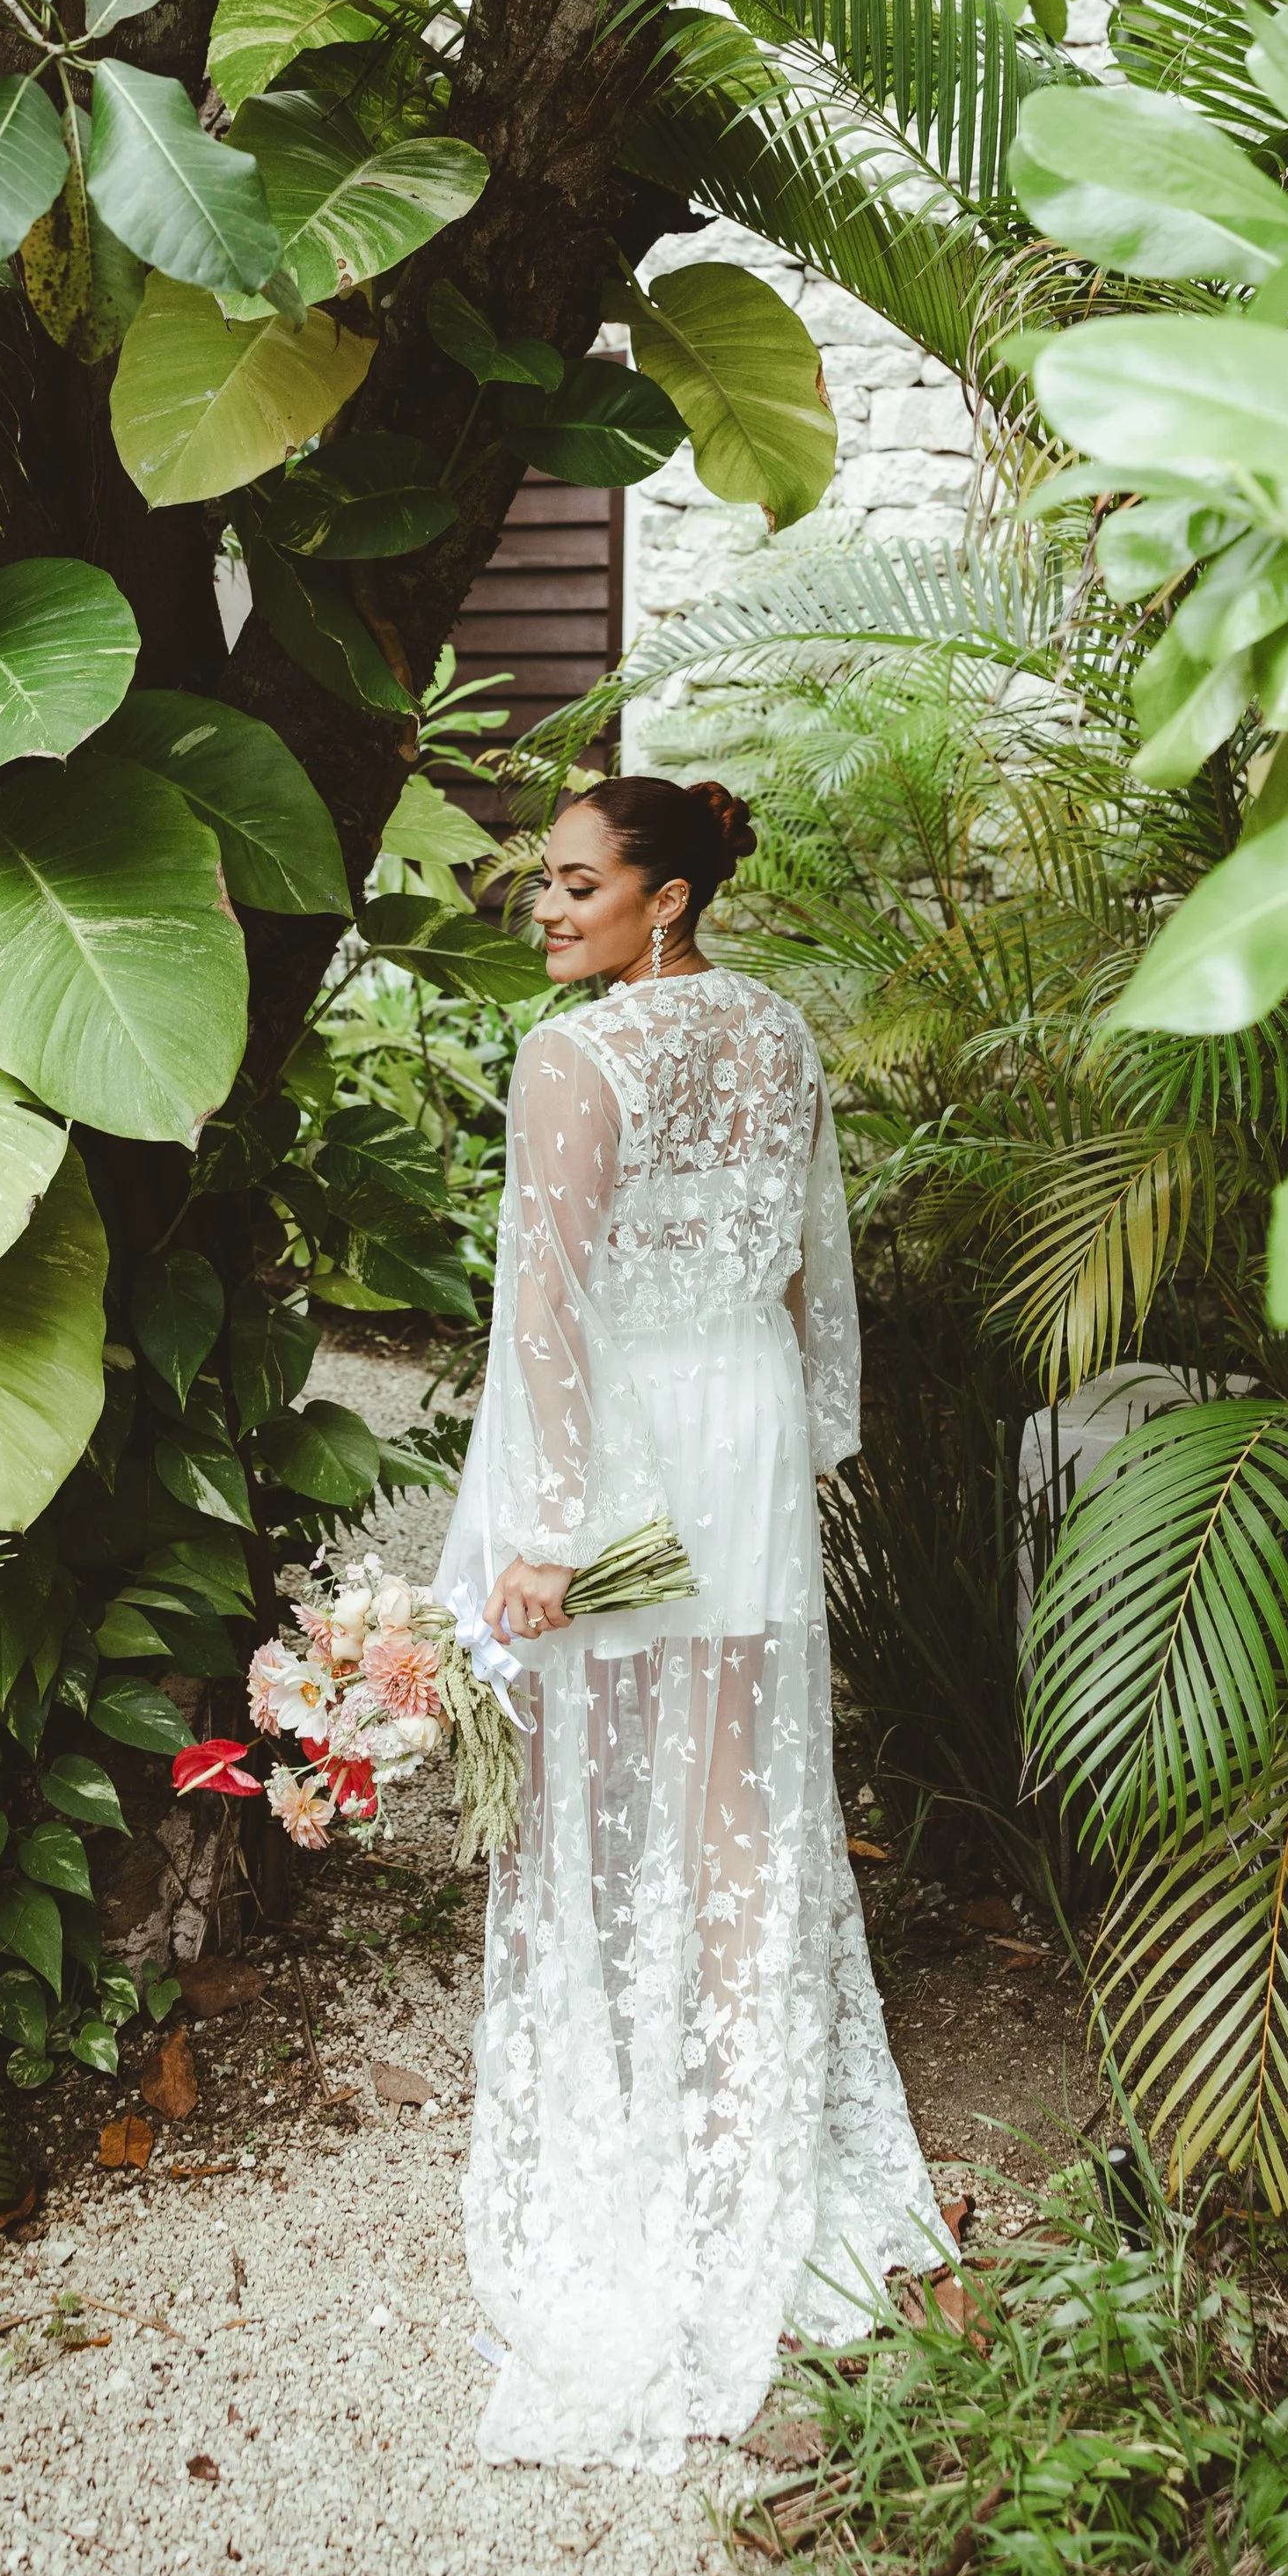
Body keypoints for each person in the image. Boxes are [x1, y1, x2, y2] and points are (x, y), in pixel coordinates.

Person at [433, 772, 950, 2473]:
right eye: (543, 885)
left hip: (637, 1446)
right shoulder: (781, 1032)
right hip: (741, 1429)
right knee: (741, 1788)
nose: (546, 908)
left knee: (613, 1781)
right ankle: (745, 2124)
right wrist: (792, 1442)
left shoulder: (572, 1057)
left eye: (577, 883)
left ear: (667, 896)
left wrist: (548, 1533)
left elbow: (553, 1302)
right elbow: (812, 1271)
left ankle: (657, 2121)